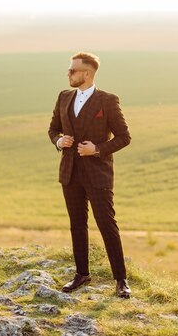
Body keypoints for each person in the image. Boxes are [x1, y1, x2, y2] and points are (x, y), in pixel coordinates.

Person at [48, 52, 132, 298]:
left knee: (107, 225)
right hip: (70, 173)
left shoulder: (107, 100)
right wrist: (59, 140)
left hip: (98, 175)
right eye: (69, 69)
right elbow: (53, 128)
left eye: (73, 70)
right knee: (77, 225)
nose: (69, 73)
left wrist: (97, 149)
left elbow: (124, 137)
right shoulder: (64, 97)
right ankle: (81, 274)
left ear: (87, 74)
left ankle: (121, 280)